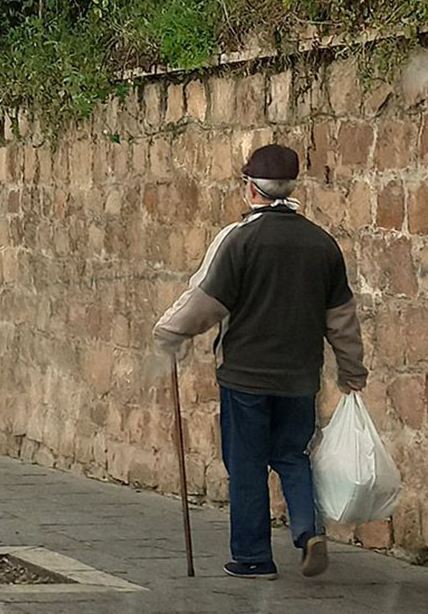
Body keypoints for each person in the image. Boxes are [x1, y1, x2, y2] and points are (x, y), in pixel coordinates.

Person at [152, 143, 368, 580]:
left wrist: (172, 332)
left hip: (245, 375)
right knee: (292, 455)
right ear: (290, 189)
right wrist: (351, 370)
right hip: (300, 376)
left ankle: (252, 557)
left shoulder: (241, 240)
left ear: (251, 188)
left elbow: (208, 302)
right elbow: (341, 319)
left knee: (247, 463)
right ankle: (309, 530)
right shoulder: (321, 244)